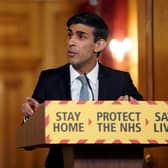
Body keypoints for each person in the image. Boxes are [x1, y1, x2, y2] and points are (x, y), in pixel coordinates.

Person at [22, 12, 143, 168]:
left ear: (99, 45)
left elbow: (143, 122)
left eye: (81, 37)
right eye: (70, 35)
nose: (71, 42)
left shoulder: (120, 81)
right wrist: (30, 117)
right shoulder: (49, 79)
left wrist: (131, 109)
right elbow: (28, 143)